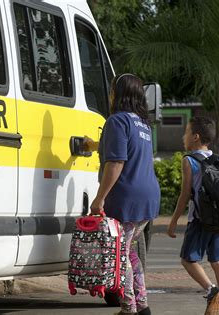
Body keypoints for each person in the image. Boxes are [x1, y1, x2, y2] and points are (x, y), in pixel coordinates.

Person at [86, 73, 160, 315]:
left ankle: (129, 308)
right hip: (147, 198)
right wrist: (95, 145)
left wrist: (99, 198)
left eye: (111, 90)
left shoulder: (117, 121)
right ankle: (143, 305)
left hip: (127, 199)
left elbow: (116, 162)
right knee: (127, 253)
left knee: (119, 256)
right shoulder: (143, 124)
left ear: (118, 94)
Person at [167, 117, 219, 315]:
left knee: (188, 260)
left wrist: (173, 222)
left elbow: (185, 194)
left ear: (196, 137)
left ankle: (212, 290)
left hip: (199, 219)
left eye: (186, 132)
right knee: (217, 261)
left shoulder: (189, 160)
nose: (183, 136)